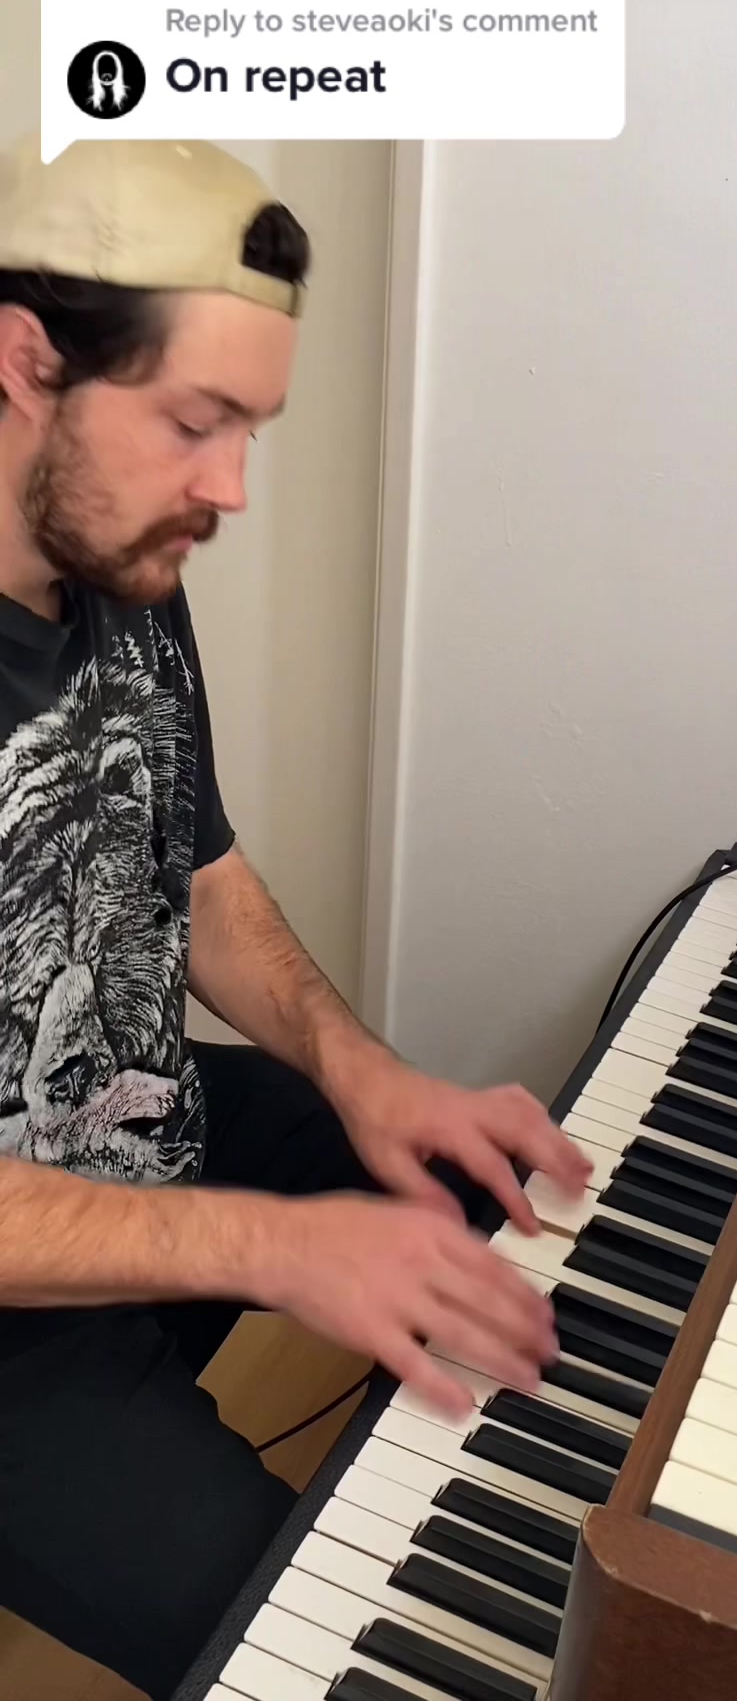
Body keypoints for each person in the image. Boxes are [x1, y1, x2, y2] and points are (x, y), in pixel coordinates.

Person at [0, 131, 591, 1700]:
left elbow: (194, 873)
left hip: (138, 1126)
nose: (231, 490)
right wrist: (277, 1247)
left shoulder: (119, 551)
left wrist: (360, 1070)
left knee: (504, 1216)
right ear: (27, 363)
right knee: (327, 1652)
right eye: (196, 423)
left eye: (249, 433)